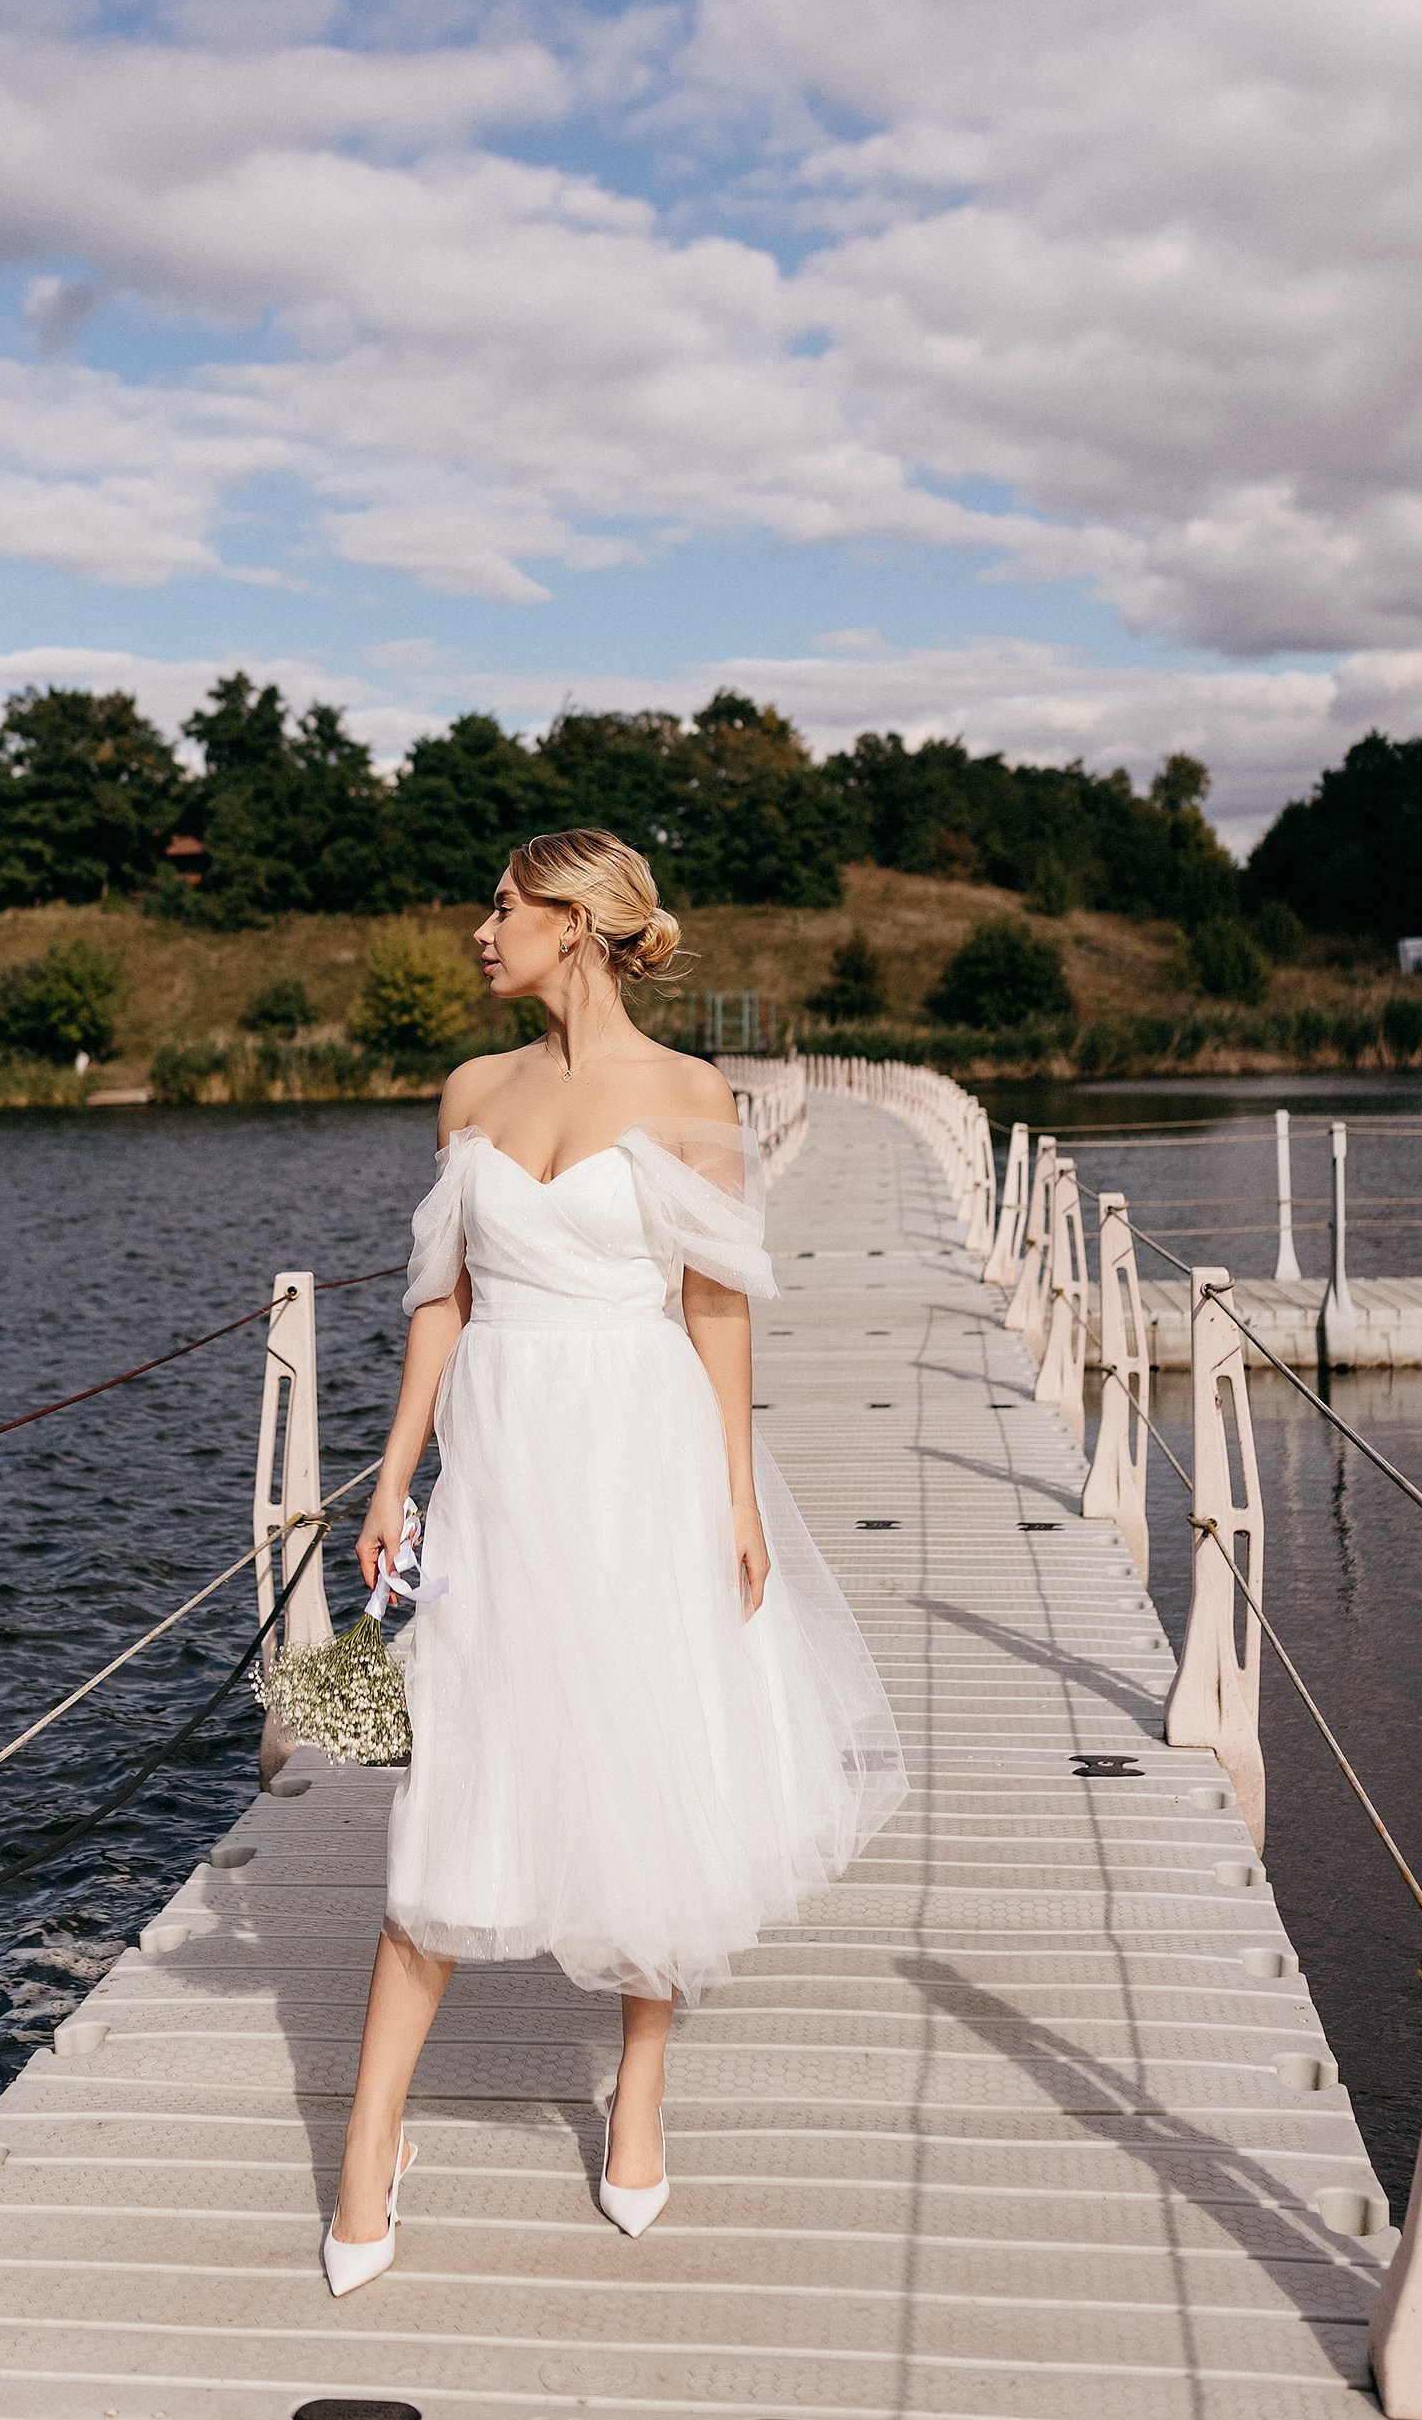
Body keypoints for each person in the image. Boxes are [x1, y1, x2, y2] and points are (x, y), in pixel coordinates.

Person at [321, 828, 905, 2294]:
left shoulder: (697, 1097)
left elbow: (716, 1309)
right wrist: (393, 1479)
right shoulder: (469, 1093)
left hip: (641, 1456)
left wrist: (736, 1495)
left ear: (573, 923)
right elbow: (438, 1306)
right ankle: (367, 2142)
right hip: (500, 1467)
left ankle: (638, 2094)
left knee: (652, 1752)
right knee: (453, 1762)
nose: (478, 928)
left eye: (501, 905)